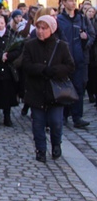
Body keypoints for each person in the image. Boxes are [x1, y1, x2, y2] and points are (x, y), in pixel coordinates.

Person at [21, 16, 75, 162]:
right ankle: (40, 150)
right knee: (38, 123)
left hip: (55, 92)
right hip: (36, 90)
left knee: (56, 122)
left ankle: (56, 144)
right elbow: (25, 65)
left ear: (52, 29)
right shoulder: (30, 45)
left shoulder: (61, 46)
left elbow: (70, 66)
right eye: (38, 28)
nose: (40, 31)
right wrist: (42, 69)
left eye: (44, 28)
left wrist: (55, 70)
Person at [56, 0, 94, 128]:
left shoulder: (82, 18)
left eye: (74, 0)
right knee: (65, 88)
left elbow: (91, 35)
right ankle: (64, 115)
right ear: (64, 2)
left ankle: (77, 117)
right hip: (65, 60)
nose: (73, 3)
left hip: (80, 59)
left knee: (79, 88)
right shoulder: (59, 20)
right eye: (70, 0)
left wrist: (86, 42)